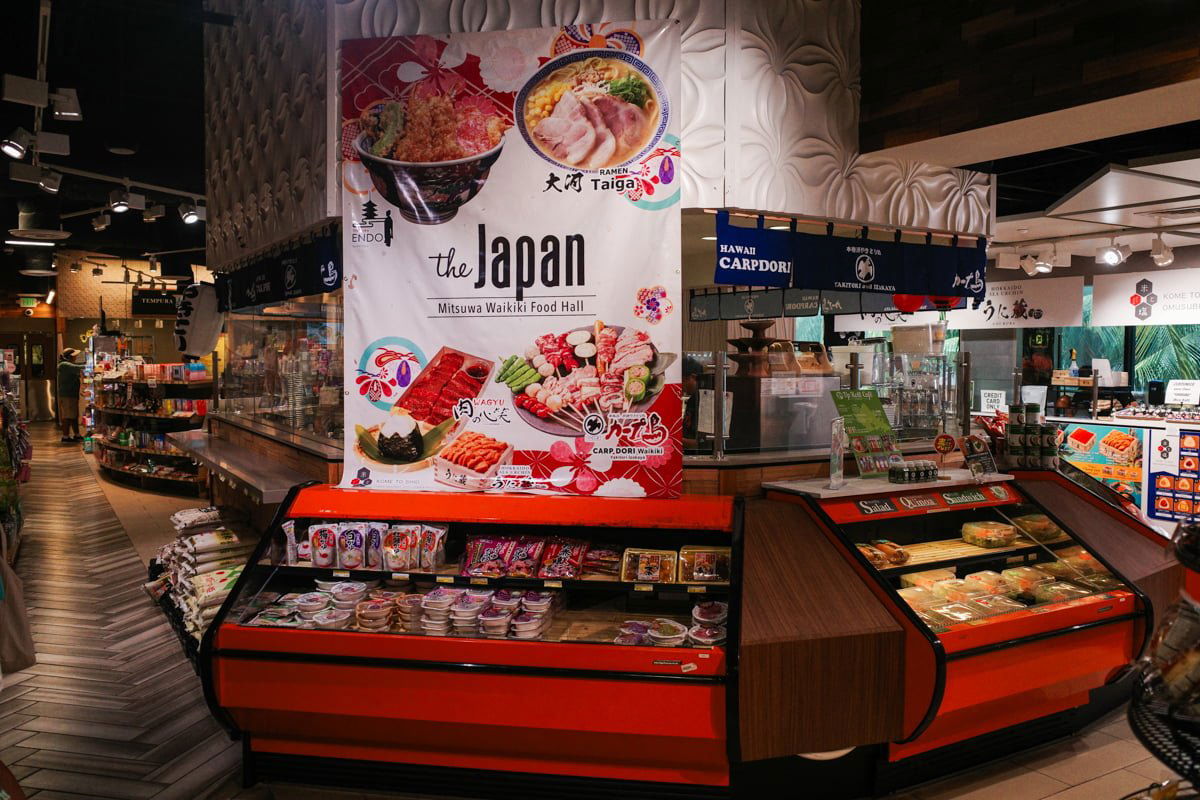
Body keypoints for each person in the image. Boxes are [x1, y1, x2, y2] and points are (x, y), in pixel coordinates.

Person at [56, 348, 84, 443]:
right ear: (70, 356)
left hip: (71, 394)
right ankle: (65, 436)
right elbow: (79, 368)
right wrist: (92, 365)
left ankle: (77, 434)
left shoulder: (66, 365)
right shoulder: (64, 365)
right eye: (75, 355)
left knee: (73, 415)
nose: (76, 357)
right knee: (68, 416)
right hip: (68, 395)